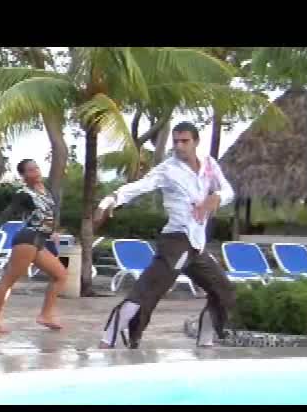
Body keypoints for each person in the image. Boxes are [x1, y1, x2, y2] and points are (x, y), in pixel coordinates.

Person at [94, 122, 236, 349]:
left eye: (185, 141)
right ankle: (109, 337)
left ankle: (206, 340)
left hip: (196, 246)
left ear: (196, 142)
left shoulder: (209, 164)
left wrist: (216, 197)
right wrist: (110, 200)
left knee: (223, 290)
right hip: (176, 241)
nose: (179, 146)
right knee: (149, 290)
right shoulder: (168, 169)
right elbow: (139, 186)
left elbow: (229, 190)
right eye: (176, 141)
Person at [0, 159, 67, 334]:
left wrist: (54, 231)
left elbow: (49, 214)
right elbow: (10, 210)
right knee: (9, 280)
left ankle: (46, 315)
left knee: (60, 275)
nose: (36, 171)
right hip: (27, 239)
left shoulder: (47, 191)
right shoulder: (24, 193)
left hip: (40, 241)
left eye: (36, 168)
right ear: (23, 175)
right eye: (30, 170)